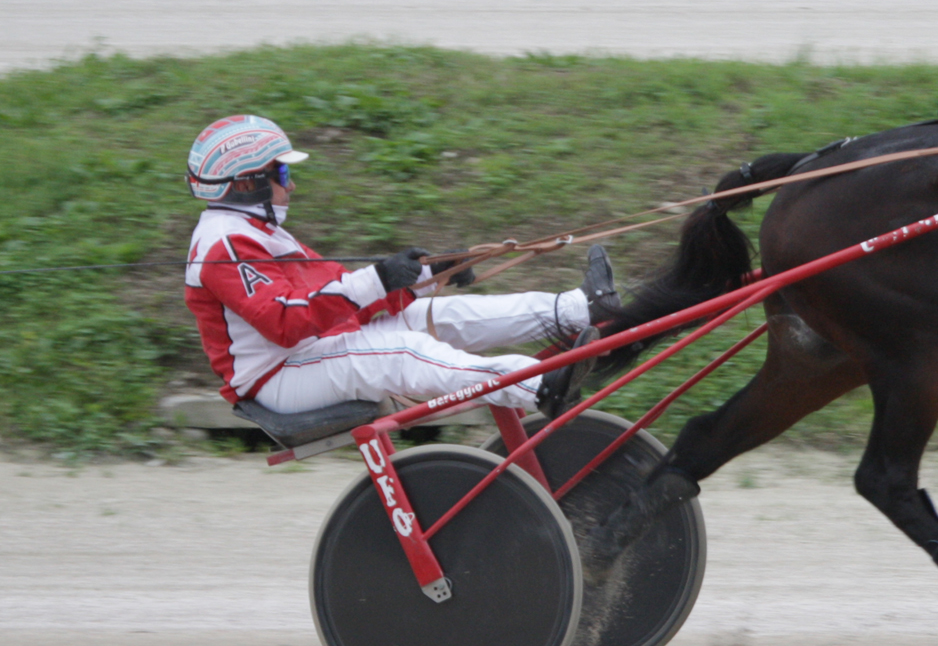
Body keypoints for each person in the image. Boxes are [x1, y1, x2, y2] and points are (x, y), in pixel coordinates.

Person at [181, 114, 617, 419]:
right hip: (276, 377)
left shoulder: (257, 228)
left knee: (436, 314)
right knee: (406, 352)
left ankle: (578, 309)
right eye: (280, 173)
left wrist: (429, 275)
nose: (290, 183)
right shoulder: (223, 243)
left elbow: (333, 291)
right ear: (245, 183)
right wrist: (380, 278)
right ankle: (538, 387)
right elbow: (286, 321)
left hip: (313, 349)